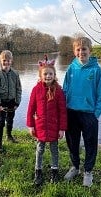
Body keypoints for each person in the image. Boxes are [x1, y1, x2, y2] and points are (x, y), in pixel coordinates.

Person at [62, 36, 101, 187]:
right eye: (78, 49)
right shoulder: (71, 68)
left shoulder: (96, 70)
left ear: (90, 50)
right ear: (75, 52)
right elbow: (65, 89)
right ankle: (75, 167)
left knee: (90, 143)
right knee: (72, 142)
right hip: (71, 112)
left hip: (89, 114)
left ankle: (88, 171)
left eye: (84, 49)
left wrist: (97, 113)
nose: (81, 52)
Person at [26, 56, 67, 185]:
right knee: (40, 149)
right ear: (41, 75)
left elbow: (62, 111)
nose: (48, 76)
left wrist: (62, 128)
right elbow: (30, 109)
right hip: (41, 126)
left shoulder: (59, 90)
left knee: (54, 149)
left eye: (50, 74)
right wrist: (30, 125)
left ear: (54, 75)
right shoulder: (36, 90)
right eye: (45, 74)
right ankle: (38, 171)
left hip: (54, 127)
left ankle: (54, 171)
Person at [0, 50, 22, 153]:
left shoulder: (15, 74)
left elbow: (19, 89)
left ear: (11, 61)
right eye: (4, 60)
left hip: (12, 102)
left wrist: (17, 102)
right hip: (2, 102)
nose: (6, 63)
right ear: (1, 61)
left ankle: (9, 135)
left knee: (10, 120)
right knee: (0, 122)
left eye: (8, 60)